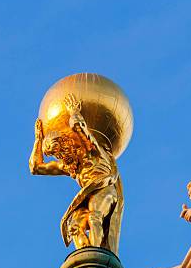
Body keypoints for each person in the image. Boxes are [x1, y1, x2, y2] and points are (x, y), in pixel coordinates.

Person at [29, 94, 123, 254]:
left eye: (59, 152)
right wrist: (38, 140)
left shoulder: (92, 151)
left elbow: (80, 128)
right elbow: (36, 167)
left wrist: (74, 112)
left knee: (94, 216)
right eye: (57, 156)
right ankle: (87, 259)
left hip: (104, 188)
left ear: (66, 144)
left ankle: (96, 255)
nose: (60, 157)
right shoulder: (70, 166)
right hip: (88, 194)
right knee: (73, 226)